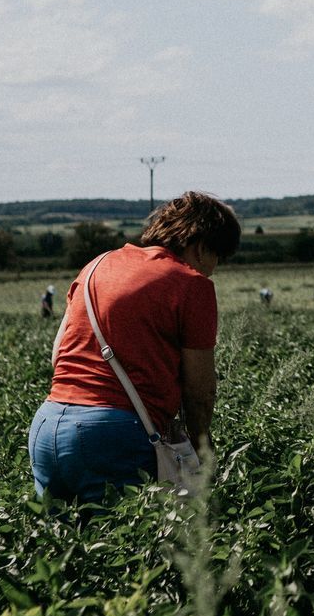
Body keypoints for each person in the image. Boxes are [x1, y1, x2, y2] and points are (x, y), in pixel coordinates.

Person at [29, 191, 241, 502]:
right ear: (200, 246)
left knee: (60, 546)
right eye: (217, 257)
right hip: (112, 436)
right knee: (127, 544)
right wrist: (199, 452)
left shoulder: (96, 266)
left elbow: (58, 350)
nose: (213, 268)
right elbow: (200, 391)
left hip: (47, 426)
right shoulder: (191, 284)